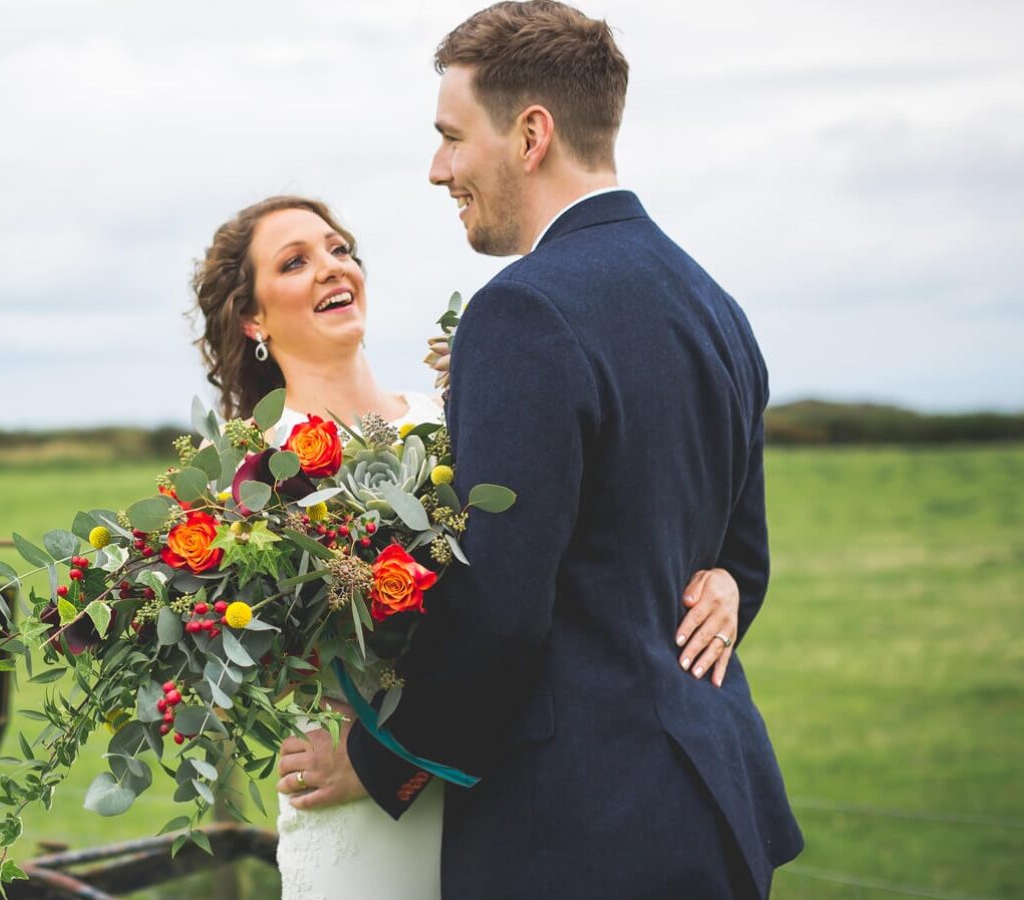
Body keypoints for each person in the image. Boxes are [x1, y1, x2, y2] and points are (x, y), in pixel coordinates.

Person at [274, 4, 805, 897]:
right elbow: (735, 566)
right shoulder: (714, 305)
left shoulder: (523, 311)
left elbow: (501, 609)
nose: (439, 168)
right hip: (715, 809)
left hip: (581, 833)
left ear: (530, 135)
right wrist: (725, 585)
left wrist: (379, 763)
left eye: (451, 137)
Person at [189, 193, 749, 899]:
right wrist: (367, 753)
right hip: (358, 790)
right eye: (296, 262)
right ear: (253, 318)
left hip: (508, 785)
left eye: (339, 249)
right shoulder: (257, 483)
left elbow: (571, 542)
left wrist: (721, 571)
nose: (333, 269)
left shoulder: (452, 421)